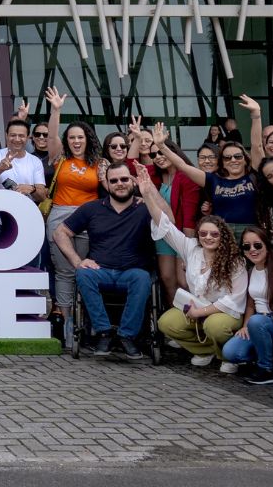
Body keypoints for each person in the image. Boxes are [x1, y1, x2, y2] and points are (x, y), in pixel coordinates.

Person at [52, 161, 158, 360]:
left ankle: (127, 335)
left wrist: (149, 192)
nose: (120, 183)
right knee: (83, 273)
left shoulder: (144, 207)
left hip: (133, 271)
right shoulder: (92, 208)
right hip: (100, 270)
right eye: (114, 180)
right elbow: (60, 233)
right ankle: (104, 332)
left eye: (124, 179)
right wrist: (77, 261)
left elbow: (169, 220)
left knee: (143, 278)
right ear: (106, 184)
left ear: (133, 181)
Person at [42, 87, 103, 329]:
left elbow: (115, 186)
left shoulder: (100, 163)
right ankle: (67, 324)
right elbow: (51, 137)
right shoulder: (60, 159)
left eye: (80, 137)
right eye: (72, 137)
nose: (76, 141)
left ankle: (88, 325)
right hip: (60, 217)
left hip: (90, 219)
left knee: (87, 271)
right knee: (65, 272)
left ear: (88, 139)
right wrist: (56, 111)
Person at [153, 214, 248, 370]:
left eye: (214, 234)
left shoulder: (235, 260)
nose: (208, 237)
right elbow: (166, 227)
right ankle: (206, 351)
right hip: (198, 306)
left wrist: (200, 312)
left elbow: (234, 299)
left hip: (226, 312)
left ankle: (228, 356)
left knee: (214, 325)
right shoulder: (192, 250)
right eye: (203, 233)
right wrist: (148, 192)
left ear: (222, 236)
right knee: (167, 323)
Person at [220, 227, 273, 384]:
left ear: (267, 246)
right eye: (247, 246)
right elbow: (250, 306)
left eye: (257, 245)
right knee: (231, 352)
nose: (252, 250)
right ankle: (270, 355)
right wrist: (246, 326)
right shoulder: (250, 271)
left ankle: (266, 369)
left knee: (257, 321)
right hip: (258, 324)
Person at [153, 123, 256, 237]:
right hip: (223, 234)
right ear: (222, 162)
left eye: (238, 156)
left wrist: (255, 116)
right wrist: (161, 146)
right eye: (227, 158)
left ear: (246, 159)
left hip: (250, 234)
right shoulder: (213, 180)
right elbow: (183, 166)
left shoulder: (253, 178)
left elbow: (257, 146)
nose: (232, 160)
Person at [150, 145, 199, 304]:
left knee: (183, 281)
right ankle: (175, 317)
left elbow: (189, 215)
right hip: (164, 235)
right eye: (154, 154)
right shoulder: (156, 178)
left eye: (161, 152)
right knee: (167, 278)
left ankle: (192, 318)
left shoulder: (186, 176)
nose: (158, 156)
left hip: (183, 235)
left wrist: (188, 251)